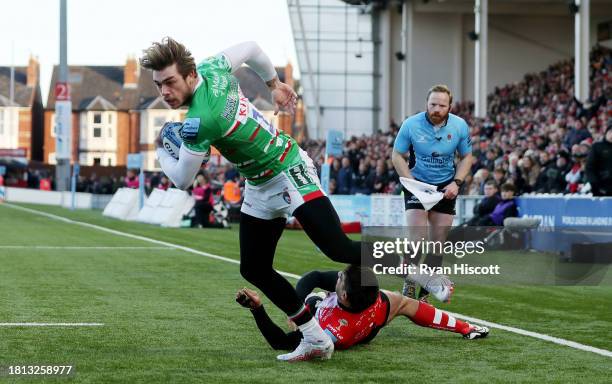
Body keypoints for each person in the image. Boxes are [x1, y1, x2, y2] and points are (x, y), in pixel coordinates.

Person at [140, 37, 368, 361]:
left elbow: (181, 179)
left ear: (190, 75)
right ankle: (315, 338)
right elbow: (250, 49)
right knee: (254, 268)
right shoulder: (212, 67)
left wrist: (161, 147)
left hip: (287, 167)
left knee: (337, 248)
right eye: (158, 84)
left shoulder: (200, 119)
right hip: (259, 183)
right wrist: (274, 84)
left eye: (170, 82)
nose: (164, 92)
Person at [236, 265, 488, 356]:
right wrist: (464, 327)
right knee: (405, 303)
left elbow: (280, 342)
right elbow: (314, 274)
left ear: (342, 295)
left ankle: (315, 300)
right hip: (371, 318)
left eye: (340, 279)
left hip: (344, 331)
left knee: (312, 301)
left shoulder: (329, 332)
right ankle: (464, 326)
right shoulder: (379, 299)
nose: (338, 276)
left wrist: (259, 309)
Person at [391, 84, 473, 299]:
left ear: (450, 107)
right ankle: (409, 280)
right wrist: (411, 184)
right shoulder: (411, 124)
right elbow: (397, 155)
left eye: (442, 105)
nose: (436, 109)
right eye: (432, 104)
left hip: (445, 186)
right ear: (426, 104)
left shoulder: (459, 126)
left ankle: (425, 293)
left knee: (438, 243)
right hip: (416, 183)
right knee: (417, 240)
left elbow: (466, 157)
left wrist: (457, 183)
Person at [585, 125, 612, 196]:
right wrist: (595, 186)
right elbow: (589, 167)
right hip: (601, 187)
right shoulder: (597, 147)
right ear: (606, 133)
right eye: (610, 132)